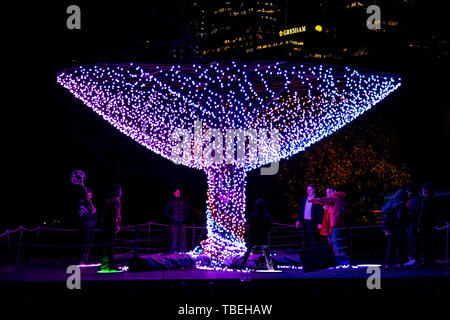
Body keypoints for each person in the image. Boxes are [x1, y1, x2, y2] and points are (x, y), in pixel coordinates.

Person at [310, 188, 347, 263]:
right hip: (338, 224)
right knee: (336, 241)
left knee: (335, 241)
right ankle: (337, 256)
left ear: (334, 192)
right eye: (327, 192)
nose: (328, 194)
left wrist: (313, 200)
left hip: (334, 223)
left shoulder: (334, 198)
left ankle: (336, 258)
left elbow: (323, 200)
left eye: (330, 192)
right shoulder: (340, 199)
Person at [239, 199, 274, 270]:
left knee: (249, 252)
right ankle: (270, 267)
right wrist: (267, 232)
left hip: (255, 236)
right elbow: (271, 227)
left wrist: (251, 235)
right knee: (266, 253)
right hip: (263, 236)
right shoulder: (267, 216)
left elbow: (250, 227)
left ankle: (242, 265)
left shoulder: (253, 216)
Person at [381, 188, 407, 269]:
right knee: (400, 246)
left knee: (390, 246)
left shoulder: (390, 202)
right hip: (397, 228)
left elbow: (383, 212)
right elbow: (400, 217)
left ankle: (387, 264)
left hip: (388, 227)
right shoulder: (401, 204)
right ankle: (400, 263)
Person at [100, 183, 122, 272]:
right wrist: (116, 225)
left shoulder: (108, 200)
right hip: (111, 225)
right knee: (111, 245)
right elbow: (115, 214)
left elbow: (104, 214)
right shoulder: (116, 200)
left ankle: (107, 263)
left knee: (108, 245)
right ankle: (112, 265)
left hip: (106, 225)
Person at [295, 184, 324, 248]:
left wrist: (319, 222)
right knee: (305, 239)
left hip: (313, 222)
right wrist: (298, 220)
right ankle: (306, 253)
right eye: (308, 190)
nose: (308, 191)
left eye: (310, 189)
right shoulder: (304, 198)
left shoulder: (317, 199)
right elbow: (300, 210)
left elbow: (320, 212)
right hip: (304, 222)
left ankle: (314, 254)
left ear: (314, 190)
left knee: (313, 239)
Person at [165, 189, 190, 253]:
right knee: (174, 238)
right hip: (174, 223)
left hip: (182, 222)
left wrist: (184, 218)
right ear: (174, 193)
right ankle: (173, 252)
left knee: (183, 238)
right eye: (176, 192)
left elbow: (187, 210)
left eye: (179, 192)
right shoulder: (171, 201)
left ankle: (183, 251)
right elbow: (166, 211)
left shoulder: (183, 201)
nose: (178, 193)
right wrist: (172, 218)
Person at [417, 183, 436, 266]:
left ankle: (426, 261)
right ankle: (430, 260)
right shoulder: (433, 198)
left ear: (426, 190)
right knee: (430, 242)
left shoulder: (426, 199)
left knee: (424, 243)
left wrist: (419, 225)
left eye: (423, 189)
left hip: (425, 224)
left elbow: (422, 213)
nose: (422, 191)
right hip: (430, 223)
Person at [77, 187, 97, 264]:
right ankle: (82, 259)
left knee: (90, 243)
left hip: (91, 227)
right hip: (84, 228)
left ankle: (86, 258)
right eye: (89, 192)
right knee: (84, 244)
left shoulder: (90, 204)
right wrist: (92, 213)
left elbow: (95, 216)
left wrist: (94, 215)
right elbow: (82, 216)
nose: (91, 194)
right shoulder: (82, 203)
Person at [404, 185, 421, 266]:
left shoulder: (416, 200)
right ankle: (412, 257)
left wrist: (408, 213)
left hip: (413, 222)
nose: (407, 193)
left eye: (408, 191)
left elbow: (417, 212)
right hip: (409, 222)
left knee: (413, 240)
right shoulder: (411, 199)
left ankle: (415, 258)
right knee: (410, 240)